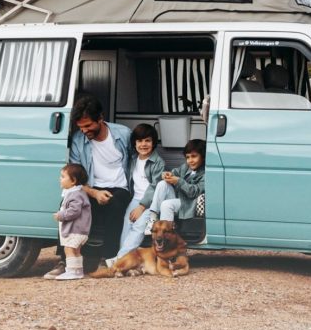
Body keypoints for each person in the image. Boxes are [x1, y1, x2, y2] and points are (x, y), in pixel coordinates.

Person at [67, 93, 132, 268]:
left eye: (88, 126)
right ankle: (66, 260)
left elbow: (137, 162)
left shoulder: (123, 134)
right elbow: (75, 176)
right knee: (69, 204)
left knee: (115, 204)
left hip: (119, 187)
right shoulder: (78, 140)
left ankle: (108, 258)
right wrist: (94, 192)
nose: (84, 131)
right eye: (80, 127)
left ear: (101, 118)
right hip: (91, 187)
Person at [104, 122, 165, 267]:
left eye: (147, 140)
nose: (143, 144)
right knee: (127, 224)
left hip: (151, 202)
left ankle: (120, 260)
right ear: (134, 143)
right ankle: (124, 256)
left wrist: (142, 207)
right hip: (135, 199)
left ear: (154, 142)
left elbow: (155, 186)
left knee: (138, 228)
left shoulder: (158, 163)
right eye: (139, 140)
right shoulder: (133, 160)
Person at [44, 163, 91, 280]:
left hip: (75, 230)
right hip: (80, 230)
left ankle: (71, 271)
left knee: (68, 249)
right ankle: (78, 271)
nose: (60, 179)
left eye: (63, 176)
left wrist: (61, 215)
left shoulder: (75, 194)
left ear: (73, 180)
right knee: (76, 250)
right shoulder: (76, 192)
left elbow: (74, 211)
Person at [144, 138, 206, 227]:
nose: (190, 160)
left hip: (190, 204)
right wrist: (167, 174)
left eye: (194, 156)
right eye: (188, 157)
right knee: (162, 184)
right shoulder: (186, 167)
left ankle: (166, 232)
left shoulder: (206, 173)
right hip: (179, 198)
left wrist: (178, 181)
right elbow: (174, 172)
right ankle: (152, 218)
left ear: (203, 156)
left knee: (166, 204)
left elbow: (194, 192)